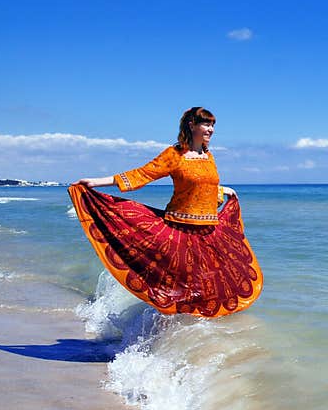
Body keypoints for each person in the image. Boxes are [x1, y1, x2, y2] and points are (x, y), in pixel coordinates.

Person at [69, 107, 263, 317]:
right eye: (206, 124)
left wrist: (222, 190)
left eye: (213, 125)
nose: (211, 129)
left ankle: (198, 333)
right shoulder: (175, 154)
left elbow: (204, 184)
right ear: (192, 125)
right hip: (178, 231)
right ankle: (165, 329)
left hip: (208, 232)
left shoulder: (208, 156)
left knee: (209, 285)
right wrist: (97, 181)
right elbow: (142, 174)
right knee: (177, 287)